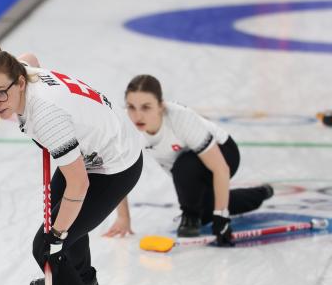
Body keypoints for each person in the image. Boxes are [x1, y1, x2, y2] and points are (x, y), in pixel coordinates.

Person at [0, 44, 143, 285]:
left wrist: (58, 235)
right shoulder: (24, 71)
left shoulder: (46, 117)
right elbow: (30, 57)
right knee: (60, 235)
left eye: (0, 94)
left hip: (113, 167)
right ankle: (81, 278)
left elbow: (79, 184)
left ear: (19, 83)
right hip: (98, 149)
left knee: (48, 248)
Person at [104, 74, 273, 244]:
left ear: (161, 106)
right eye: (131, 107)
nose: (137, 116)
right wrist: (123, 218)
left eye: (146, 107)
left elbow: (220, 168)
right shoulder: (125, 126)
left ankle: (190, 216)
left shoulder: (181, 119)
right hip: (186, 172)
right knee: (206, 210)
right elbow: (119, 172)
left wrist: (222, 218)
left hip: (224, 154)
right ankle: (260, 193)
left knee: (185, 167)